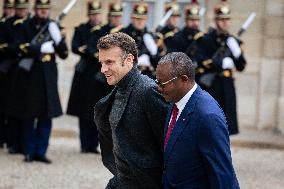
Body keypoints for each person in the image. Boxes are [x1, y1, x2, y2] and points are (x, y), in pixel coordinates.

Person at [94, 32, 169, 188]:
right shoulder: (117, 91)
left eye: (109, 62)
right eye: (101, 63)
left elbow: (169, 144)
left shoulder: (148, 91)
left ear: (129, 60)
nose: (103, 69)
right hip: (121, 181)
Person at [155, 52, 240, 189]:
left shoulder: (207, 116)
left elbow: (222, 176)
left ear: (184, 79)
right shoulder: (175, 100)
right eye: (157, 81)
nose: (159, 88)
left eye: (163, 83)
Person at [5, 0, 68, 163]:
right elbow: (19, 46)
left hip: (48, 74)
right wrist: (40, 48)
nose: (43, 11)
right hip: (31, 75)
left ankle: (41, 150)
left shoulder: (54, 27)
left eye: (46, 9)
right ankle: (29, 151)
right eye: (40, 8)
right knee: (29, 114)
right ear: (35, 9)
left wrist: (58, 39)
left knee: (46, 115)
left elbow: (64, 54)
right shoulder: (25, 25)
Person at [193, 0, 246, 135]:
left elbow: (241, 66)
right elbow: (201, 61)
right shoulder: (206, 39)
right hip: (212, 86)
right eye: (221, 19)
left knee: (226, 127)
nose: (225, 23)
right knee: (209, 124)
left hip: (227, 86)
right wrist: (221, 64)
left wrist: (237, 52)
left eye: (227, 19)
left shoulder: (232, 40)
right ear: (216, 20)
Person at [67, 0, 111, 154]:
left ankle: (94, 144)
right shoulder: (81, 29)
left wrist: (88, 49)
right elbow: (74, 46)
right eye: (93, 14)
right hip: (84, 73)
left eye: (97, 14)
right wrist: (90, 51)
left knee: (98, 109)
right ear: (89, 15)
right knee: (83, 109)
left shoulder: (106, 31)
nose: (95, 17)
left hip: (100, 74)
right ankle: (85, 144)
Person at [0, 0, 31, 154]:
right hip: (11, 70)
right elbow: (4, 45)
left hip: (28, 71)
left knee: (26, 109)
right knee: (11, 108)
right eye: (17, 8)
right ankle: (12, 143)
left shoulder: (31, 24)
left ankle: (25, 144)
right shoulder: (6, 24)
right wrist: (20, 48)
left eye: (23, 8)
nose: (19, 11)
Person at [122, 2, 160, 78]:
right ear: (132, 18)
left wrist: (154, 54)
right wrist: (137, 60)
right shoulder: (124, 34)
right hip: (128, 76)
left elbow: (157, 64)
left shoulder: (150, 35)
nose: (140, 22)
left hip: (147, 75)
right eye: (137, 18)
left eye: (143, 19)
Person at [0, 0, 15, 149]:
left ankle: (10, 139)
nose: (10, 11)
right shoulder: (3, 24)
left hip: (15, 71)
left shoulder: (21, 24)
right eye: (8, 8)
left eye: (12, 8)